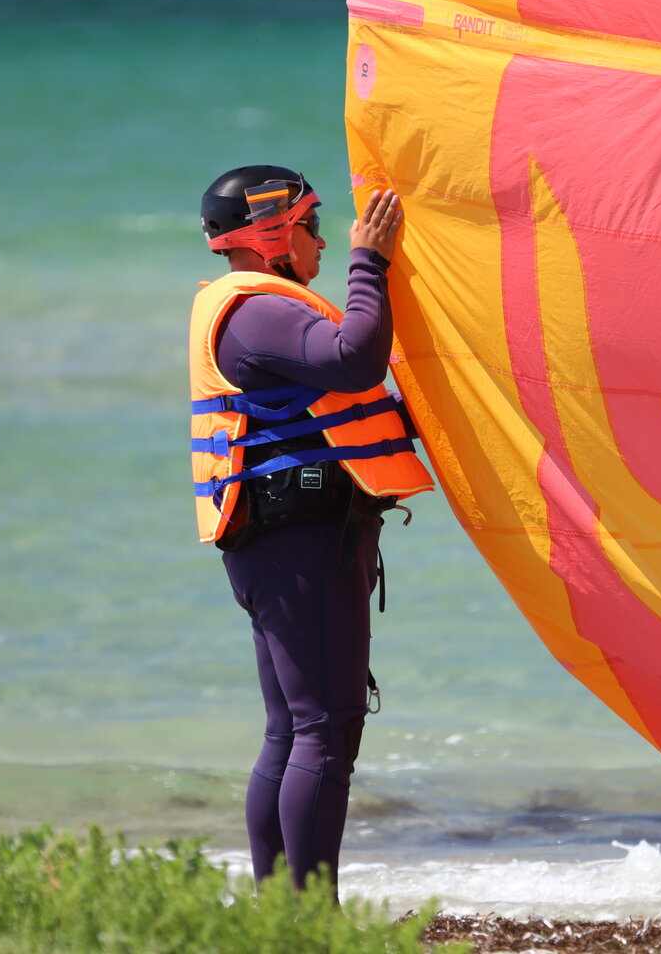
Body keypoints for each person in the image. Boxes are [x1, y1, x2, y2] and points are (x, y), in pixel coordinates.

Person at [186, 165, 434, 892]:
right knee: (326, 730)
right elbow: (353, 359)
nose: (324, 240)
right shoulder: (257, 310)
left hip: (282, 542)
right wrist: (371, 261)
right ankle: (310, 920)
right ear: (273, 233)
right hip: (301, 545)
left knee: (293, 730)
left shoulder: (248, 306)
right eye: (312, 225)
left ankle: (281, 913)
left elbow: (337, 406)